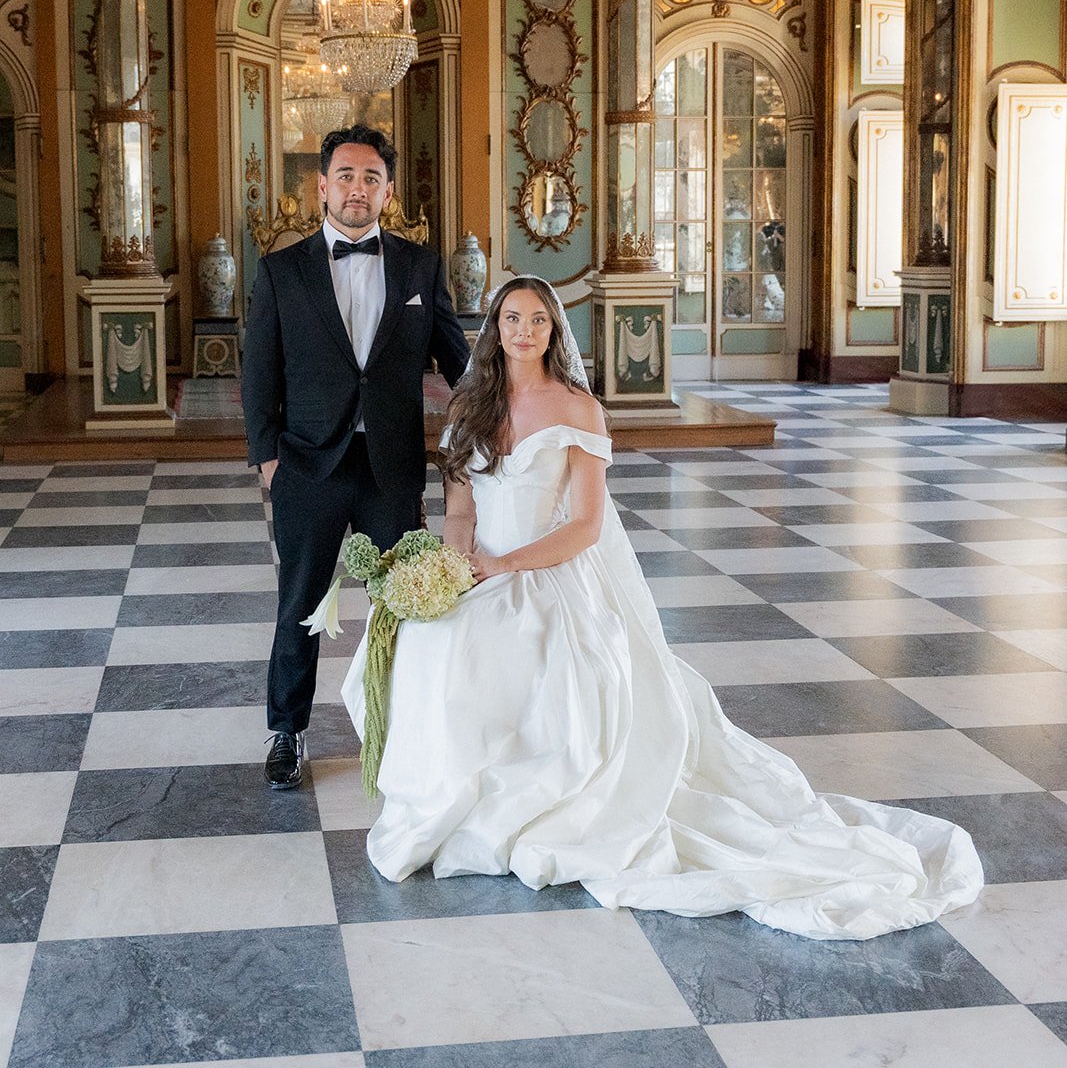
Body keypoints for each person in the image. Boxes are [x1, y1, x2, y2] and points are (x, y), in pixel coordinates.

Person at [341, 275, 984, 938]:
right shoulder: (470, 406)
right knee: (427, 644)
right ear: (494, 328)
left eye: (537, 319)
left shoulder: (576, 410)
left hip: (547, 571)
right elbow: (461, 509)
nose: (523, 330)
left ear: (554, 331)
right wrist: (455, 568)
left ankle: (524, 810)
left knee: (523, 661)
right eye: (511, 318)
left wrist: (503, 565)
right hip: (481, 571)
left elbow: (585, 527)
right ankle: (450, 802)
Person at [242, 124, 470, 790]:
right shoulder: (281, 271)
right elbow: (260, 373)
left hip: (391, 465)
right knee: (300, 603)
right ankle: (287, 732)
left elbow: (458, 358)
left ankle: (407, 727)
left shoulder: (419, 267)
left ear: (387, 192)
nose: (356, 189)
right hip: (307, 464)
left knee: (405, 600)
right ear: (321, 186)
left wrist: (519, 403)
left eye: (370, 178)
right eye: (345, 176)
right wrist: (267, 460)